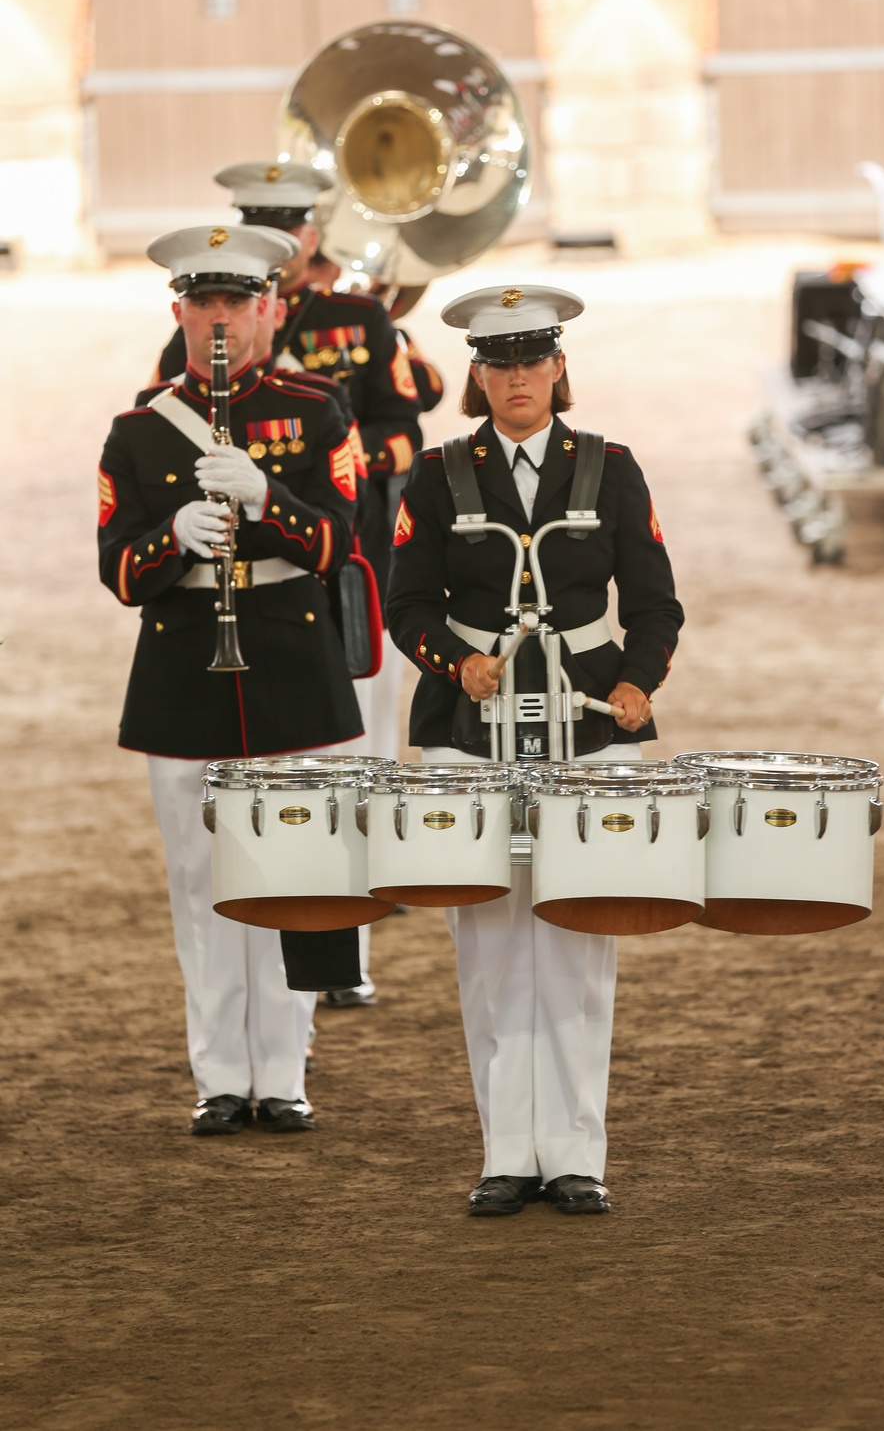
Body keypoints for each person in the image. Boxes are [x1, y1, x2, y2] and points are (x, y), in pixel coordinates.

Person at [385, 285, 684, 1216]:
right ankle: (507, 1153)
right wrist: (457, 661)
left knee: (582, 941)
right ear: (477, 376)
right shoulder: (436, 477)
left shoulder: (611, 467)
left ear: (559, 367)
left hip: (588, 727)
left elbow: (656, 601)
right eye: (499, 363)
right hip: (471, 733)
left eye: (533, 361)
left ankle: (576, 1155)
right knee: (489, 945)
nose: (518, 378)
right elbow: (406, 604)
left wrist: (640, 682)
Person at [98, 224, 363, 1135]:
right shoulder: (137, 428)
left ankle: (283, 1072)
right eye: (202, 302)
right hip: (183, 677)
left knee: (295, 876)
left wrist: (265, 498)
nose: (219, 319)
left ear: (268, 309)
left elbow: (338, 543)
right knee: (200, 884)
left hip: (292, 667)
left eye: (236, 303)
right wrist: (168, 539)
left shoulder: (318, 407)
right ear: (177, 310)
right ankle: (219, 1075)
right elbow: (118, 571)